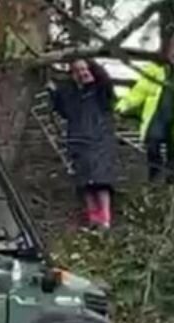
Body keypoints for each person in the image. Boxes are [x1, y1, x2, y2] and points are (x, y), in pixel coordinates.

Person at [114, 33, 174, 184]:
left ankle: (172, 182)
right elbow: (139, 91)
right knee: (152, 144)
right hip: (158, 116)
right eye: (173, 55)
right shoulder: (156, 72)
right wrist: (123, 106)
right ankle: (154, 176)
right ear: (167, 55)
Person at [49, 60, 122, 229]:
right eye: (77, 71)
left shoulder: (101, 91)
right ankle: (93, 219)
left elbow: (108, 90)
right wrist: (52, 92)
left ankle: (105, 218)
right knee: (85, 183)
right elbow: (63, 110)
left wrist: (95, 78)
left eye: (85, 69)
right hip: (78, 140)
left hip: (100, 139)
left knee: (101, 181)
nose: (82, 73)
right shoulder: (73, 95)